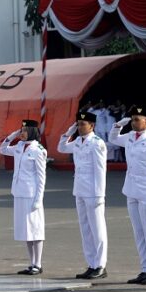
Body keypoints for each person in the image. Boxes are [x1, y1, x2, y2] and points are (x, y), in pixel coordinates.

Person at [109, 106, 146, 285]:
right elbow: (112, 138)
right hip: (131, 189)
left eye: (137, 119)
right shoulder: (130, 138)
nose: (134, 122)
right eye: (132, 119)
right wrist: (119, 124)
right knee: (138, 232)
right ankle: (145, 269)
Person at [57, 111, 108, 280]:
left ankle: (100, 265)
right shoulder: (78, 141)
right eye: (78, 124)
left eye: (82, 124)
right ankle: (91, 264)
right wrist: (69, 131)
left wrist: (100, 193)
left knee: (97, 229)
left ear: (91, 126)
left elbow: (100, 170)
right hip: (79, 189)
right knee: (85, 229)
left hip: (93, 192)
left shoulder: (97, 143)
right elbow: (61, 147)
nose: (79, 127)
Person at [0, 119, 47, 275]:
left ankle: (38, 263)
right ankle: (31, 263)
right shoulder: (19, 146)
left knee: (36, 228)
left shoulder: (38, 150)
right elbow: (3, 149)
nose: (22, 133)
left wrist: (39, 199)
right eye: (21, 130)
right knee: (26, 230)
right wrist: (12, 135)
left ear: (32, 131)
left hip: (31, 193)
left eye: (25, 130)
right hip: (19, 191)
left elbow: (41, 177)